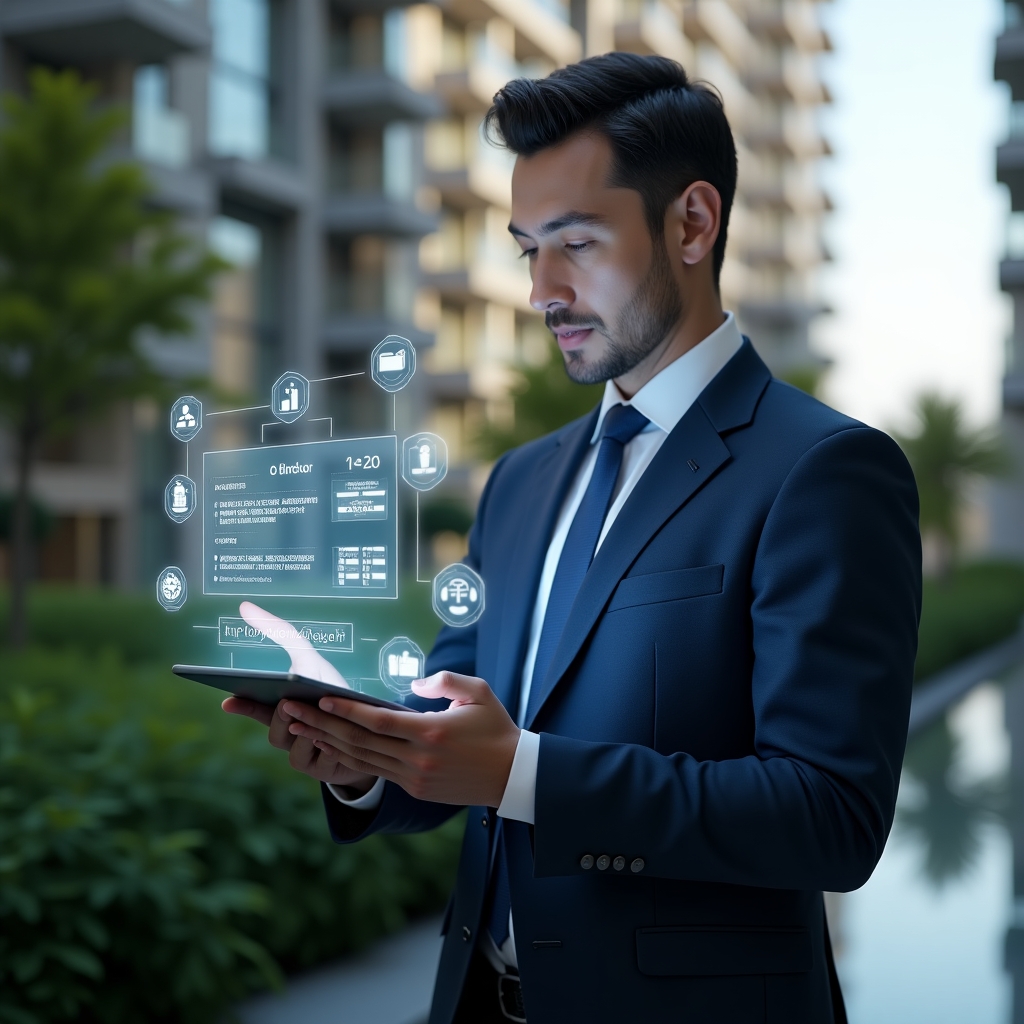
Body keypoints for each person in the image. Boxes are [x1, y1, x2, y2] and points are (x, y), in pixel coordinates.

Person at [224, 53, 921, 1024]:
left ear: (691, 223)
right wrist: (364, 752)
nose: (541, 289)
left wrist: (521, 771)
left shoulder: (825, 470)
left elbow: (828, 817)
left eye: (578, 243)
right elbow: (460, 724)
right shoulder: (520, 481)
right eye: (527, 249)